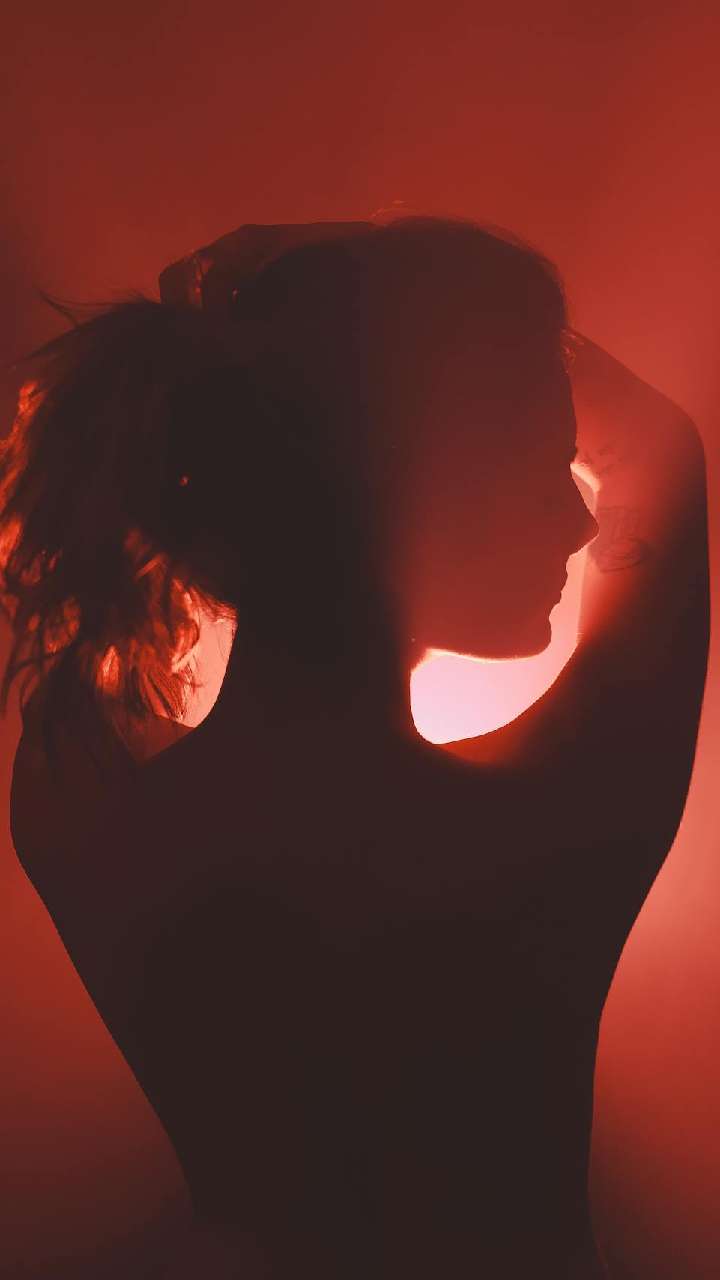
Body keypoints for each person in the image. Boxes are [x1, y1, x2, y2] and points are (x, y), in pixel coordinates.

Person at [1, 215, 709, 1279]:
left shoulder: (81, 801)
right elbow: (663, 453)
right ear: (415, 484)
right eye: (543, 465)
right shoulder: (548, 832)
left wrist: (329, 320)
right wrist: (329, 263)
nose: (578, 523)